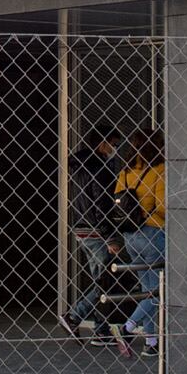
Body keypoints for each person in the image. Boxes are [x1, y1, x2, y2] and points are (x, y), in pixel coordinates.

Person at [59, 126, 127, 341]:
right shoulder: (98, 168)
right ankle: (74, 316)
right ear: (103, 143)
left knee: (103, 278)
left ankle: (101, 329)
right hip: (97, 229)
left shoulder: (80, 165)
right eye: (114, 145)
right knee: (106, 280)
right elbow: (101, 203)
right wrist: (109, 235)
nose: (115, 149)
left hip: (82, 225)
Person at [104, 130, 167, 356]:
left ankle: (151, 343)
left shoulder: (126, 172)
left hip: (130, 237)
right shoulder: (160, 170)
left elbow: (118, 204)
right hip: (153, 233)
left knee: (146, 291)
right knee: (158, 292)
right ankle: (127, 327)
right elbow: (162, 206)